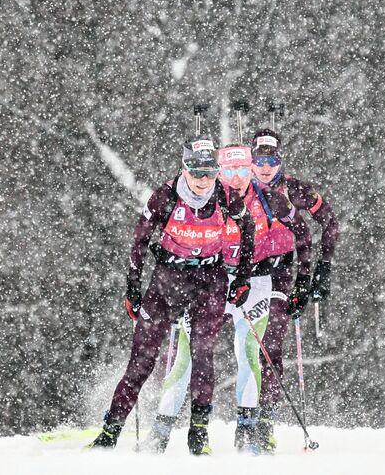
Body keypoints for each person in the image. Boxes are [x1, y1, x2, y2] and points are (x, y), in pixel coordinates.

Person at [90, 136, 256, 454]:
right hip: (167, 282)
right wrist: (132, 289)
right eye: (195, 171)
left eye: (209, 171)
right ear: (184, 167)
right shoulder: (166, 196)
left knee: (202, 353)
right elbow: (139, 241)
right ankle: (109, 434)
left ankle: (198, 434)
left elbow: (247, 230)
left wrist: (243, 278)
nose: (202, 179)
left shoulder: (226, 196)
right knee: (142, 361)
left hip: (209, 281)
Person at [145, 143, 312, 455]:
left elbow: (303, 234)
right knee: (187, 355)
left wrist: (303, 280)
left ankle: (247, 432)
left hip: (254, 284)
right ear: (219, 170)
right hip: (211, 281)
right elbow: (173, 231)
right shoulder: (207, 195)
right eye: (228, 170)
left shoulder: (269, 198)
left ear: (250, 168)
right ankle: (162, 430)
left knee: (249, 353)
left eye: (242, 169)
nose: (236, 178)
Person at [247, 127, 339, 452]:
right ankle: (243, 419)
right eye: (260, 159)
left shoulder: (295, 190)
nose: (266, 166)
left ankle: (264, 421)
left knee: (270, 346)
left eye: (271, 159)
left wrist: (318, 272)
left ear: (279, 159)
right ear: (251, 159)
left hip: (282, 273)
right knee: (242, 350)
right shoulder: (238, 191)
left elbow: (329, 221)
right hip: (244, 273)